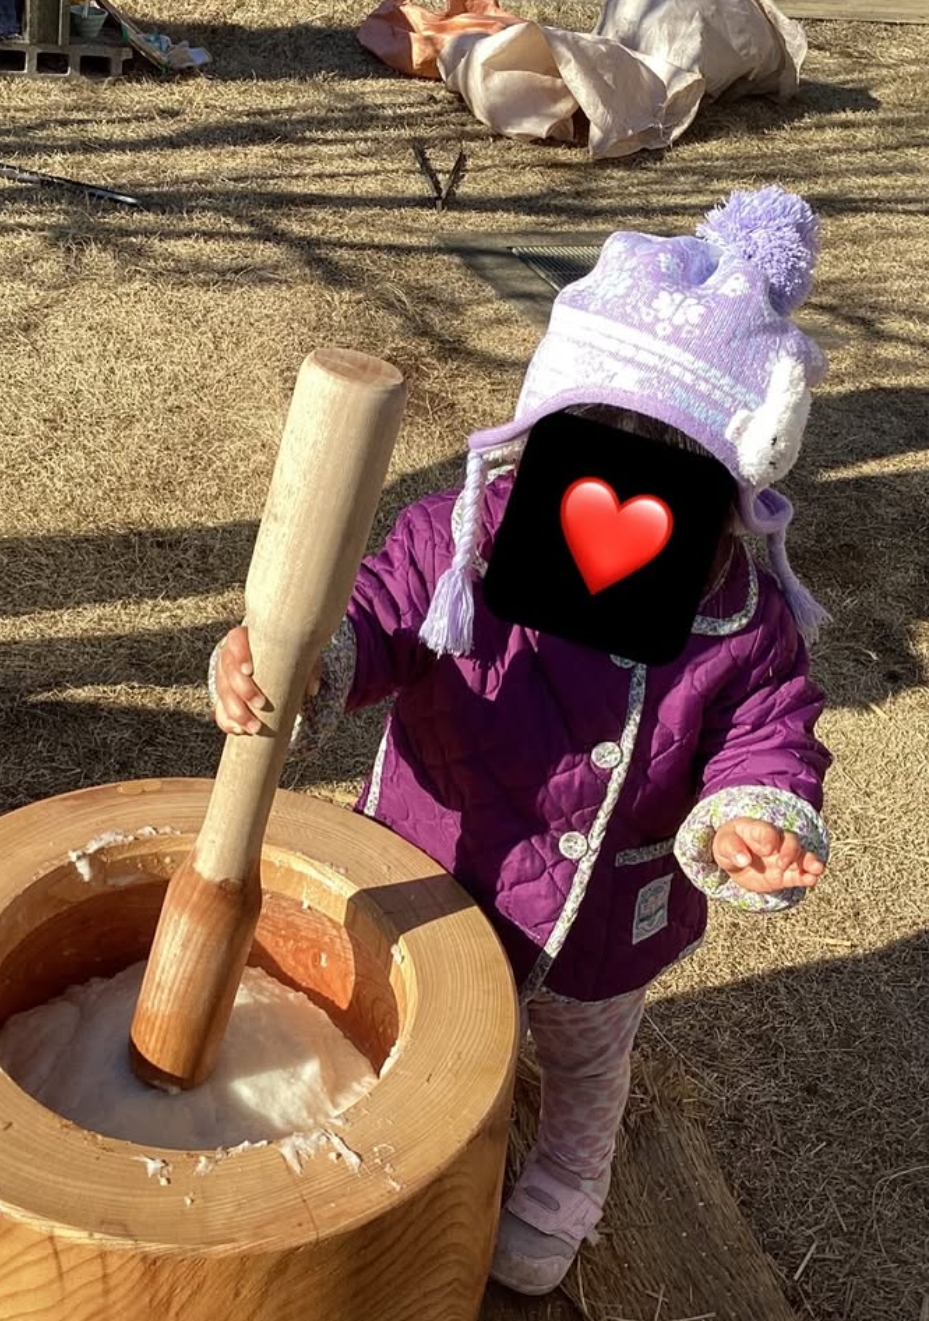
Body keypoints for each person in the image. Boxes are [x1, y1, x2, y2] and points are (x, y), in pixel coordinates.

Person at [210, 185, 832, 1297]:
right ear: (536, 447)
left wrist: (749, 813)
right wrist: (303, 658)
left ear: (729, 509)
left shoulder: (742, 619)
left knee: (587, 1067)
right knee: (401, 1032)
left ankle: (556, 1193)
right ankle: (395, 1168)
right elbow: (383, 612)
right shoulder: (463, 537)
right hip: (432, 861)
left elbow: (764, 733)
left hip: (602, 919)